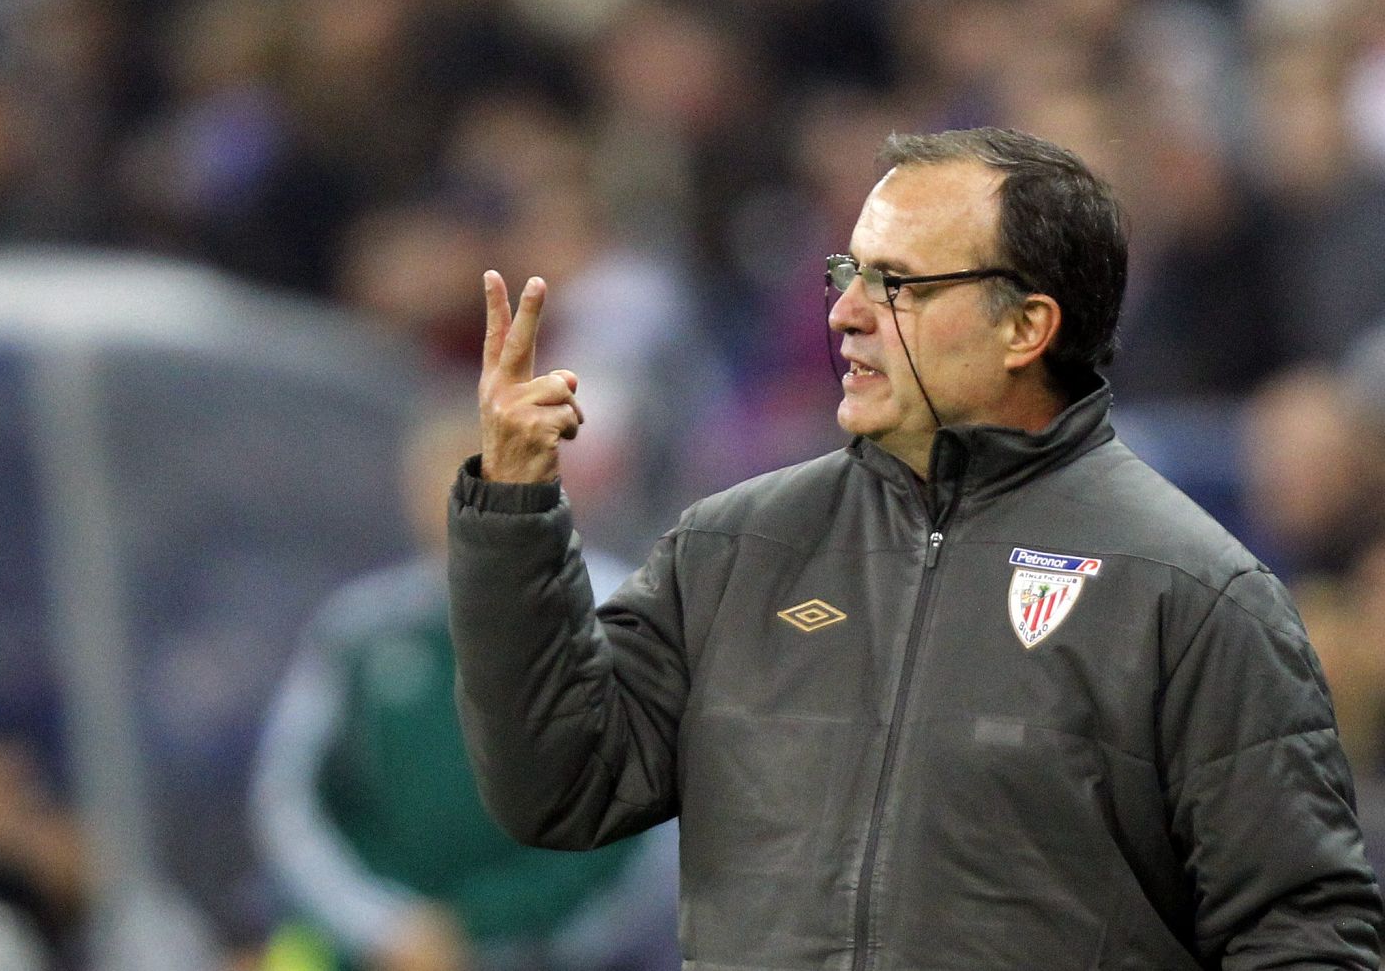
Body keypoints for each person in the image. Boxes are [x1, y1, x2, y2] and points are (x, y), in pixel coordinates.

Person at [446, 126, 1385, 968]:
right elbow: (557, 787)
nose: (845, 313)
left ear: (1027, 326)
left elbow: (1303, 932)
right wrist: (516, 507)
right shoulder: (733, 548)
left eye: (897, 284)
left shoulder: (1194, 593)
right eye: (846, 273)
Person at [251, 410, 679, 971]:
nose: (459, 497)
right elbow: (294, 799)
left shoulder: (613, 619)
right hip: (386, 951)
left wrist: (485, 929)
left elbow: (645, 821)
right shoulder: (362, 631)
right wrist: (383, 924)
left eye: (485, 474)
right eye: (441, 479)